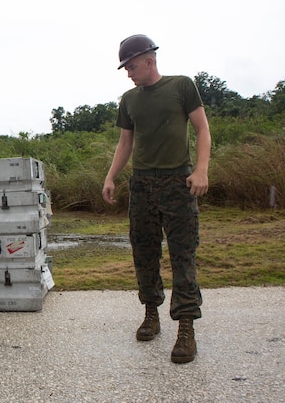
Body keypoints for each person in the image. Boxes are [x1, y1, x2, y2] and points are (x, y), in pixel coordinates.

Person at [102, 34, 211, 364]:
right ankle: (151, 313)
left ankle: (186, 328)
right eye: (126, 68)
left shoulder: (182, 86)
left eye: (132, 66)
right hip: (142, 187)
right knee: (144, 252)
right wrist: (111, 176)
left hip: (178, 182)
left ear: (150, 60)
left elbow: (202, 130)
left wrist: (201, 170)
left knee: (182, 254)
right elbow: (125, 143)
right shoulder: (129, 99)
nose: (129, 73)